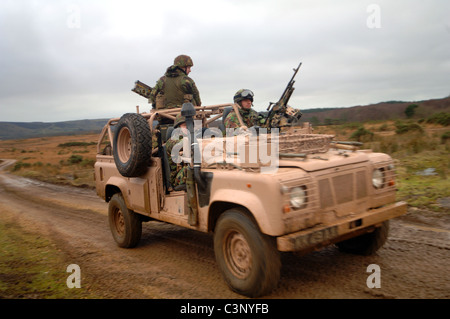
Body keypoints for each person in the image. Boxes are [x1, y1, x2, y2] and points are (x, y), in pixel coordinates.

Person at [165, 114, 189, 189]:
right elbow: (178, 145)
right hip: (177, 177)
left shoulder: (190, 137)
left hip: (187, 172)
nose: (188, 127)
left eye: (190, 125)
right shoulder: (172, 141)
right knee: (192, 168)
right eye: (185, 125)